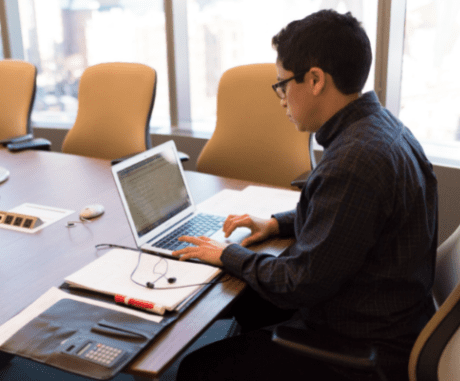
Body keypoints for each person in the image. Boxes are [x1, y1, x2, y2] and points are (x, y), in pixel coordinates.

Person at [173, 9, 438, 381]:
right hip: (388, 315)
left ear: (314, 80)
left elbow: (298, 282)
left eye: (282, 84)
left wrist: (228, 254)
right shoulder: (380, 128)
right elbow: (350, 219)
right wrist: (277, 224)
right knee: (246, 303)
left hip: (358, 347)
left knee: (196, 369)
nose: (281, 98)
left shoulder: (354, 160)